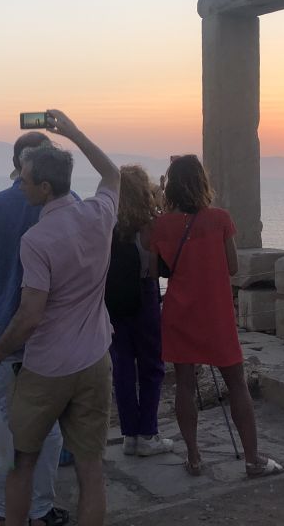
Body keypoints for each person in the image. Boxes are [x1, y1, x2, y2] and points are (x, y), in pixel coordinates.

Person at [0, 110, 119, 526]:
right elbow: (112, 174)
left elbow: (30, 315)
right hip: (94, 359)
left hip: (47, 367)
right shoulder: (99, 214)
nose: (21, 181)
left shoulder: (36, 240)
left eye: (26, 177)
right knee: (91, 471)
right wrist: (73, 131)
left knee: (21, 462)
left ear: (44, 187)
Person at [150, 155, 284, 479]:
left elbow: (155, 271)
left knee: (184, 386)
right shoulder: (220, 219)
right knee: (236, 385)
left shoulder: (161, 225)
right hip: (216, 314)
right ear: (202, 182)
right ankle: (252, 459)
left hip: (180, 314)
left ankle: (194, 457)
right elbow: (233, 267)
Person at [0, 131, 69, 526]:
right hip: (52, 337)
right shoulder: (69, 207)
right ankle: (41, 509)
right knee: (49, 432)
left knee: (5, 429)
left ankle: (0, 509)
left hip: (4, 334)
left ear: (16, 162)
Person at [108, 165, 172, 456]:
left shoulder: (108, 224)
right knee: (151, 365)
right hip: (145, 295)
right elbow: (161, 267)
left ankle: (128, 435)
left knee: (122, 367)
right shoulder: (152, 224)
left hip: (114, 301)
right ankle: (148, 433)